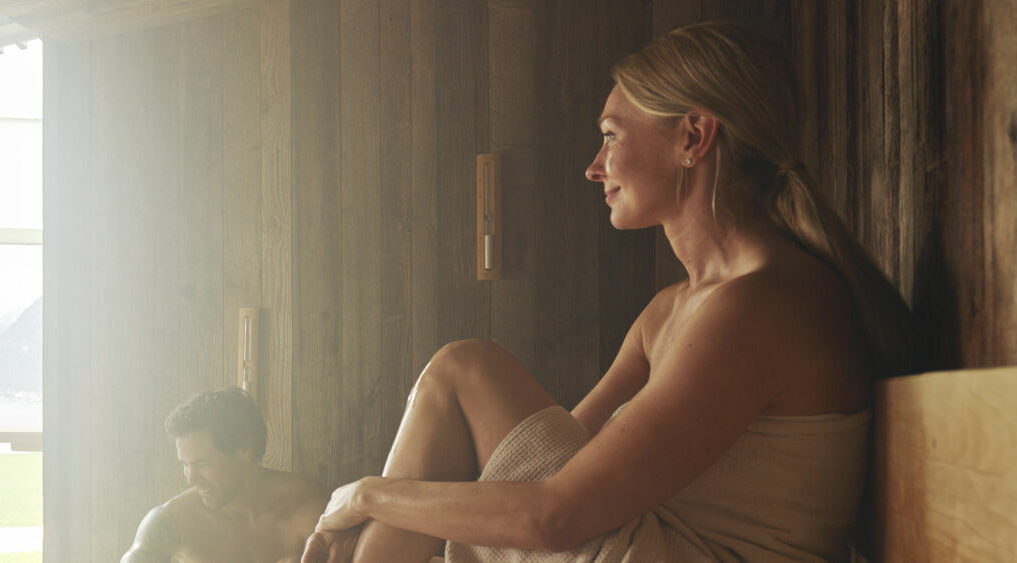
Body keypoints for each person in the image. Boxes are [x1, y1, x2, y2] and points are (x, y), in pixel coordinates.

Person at [300, 21, 911, 563]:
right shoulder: (672, 311)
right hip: (652, 544)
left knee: (466, 369)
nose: (595, 166)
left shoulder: (760, 308)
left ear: (694, 137)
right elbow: (557, 466)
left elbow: (554, 515)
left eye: (613, 136)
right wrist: (387, 512)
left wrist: (367, 495)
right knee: (461, 378)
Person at [124, 388, 330, 563]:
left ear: (244, 449)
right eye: (185, 464)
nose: (191, 479)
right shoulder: (172, 522)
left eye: (202, 463)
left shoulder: (311, 509)